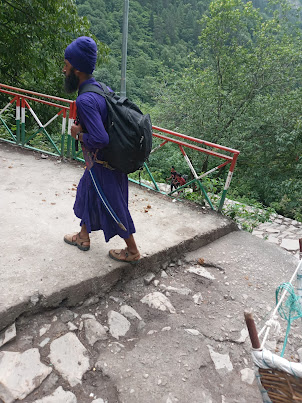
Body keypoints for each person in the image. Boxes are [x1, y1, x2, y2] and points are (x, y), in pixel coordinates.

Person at [62, 36, 140, 264]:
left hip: (105, 164)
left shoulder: (86, 100)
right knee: (87, 192)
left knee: (114, 206)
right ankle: (83, 237)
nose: (64, 69)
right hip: (105, 162)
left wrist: (78, 133)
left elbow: (100, 137)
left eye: (66, 64)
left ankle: (133, 250)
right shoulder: (100, 88)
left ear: (76, 69)